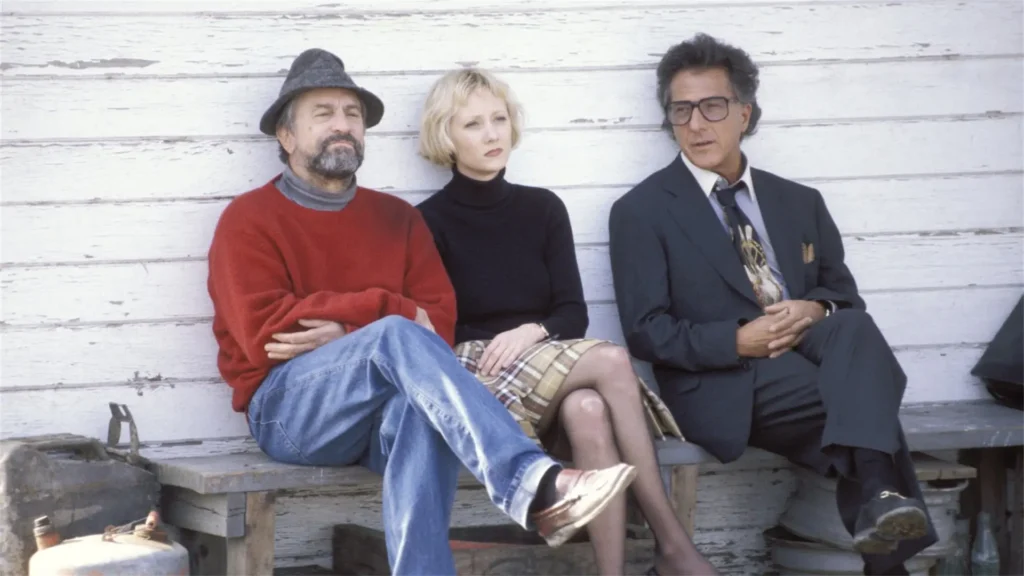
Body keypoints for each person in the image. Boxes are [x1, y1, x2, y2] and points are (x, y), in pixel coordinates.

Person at [206, 48, 638, 576]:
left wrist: (350, 329)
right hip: (289, 411)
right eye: (324, 113)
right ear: (287, 136)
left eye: (353, 114)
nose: (343, 124)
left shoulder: (398, 219)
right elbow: (266, 334)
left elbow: (438, 328)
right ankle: (530, 481)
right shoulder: (248, 218)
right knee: (394, 333)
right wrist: (383, 314)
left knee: (422, 412)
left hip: (383, 412)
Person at [607, 34, 937, 575]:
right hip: (723, 380)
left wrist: (814, 310)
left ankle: (881, 508)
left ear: (745, 112)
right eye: (681, 110)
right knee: (859, 401)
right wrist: (737, 340)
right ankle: (883, 518)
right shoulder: (641, 211)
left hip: (809, 349)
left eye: (713, 106)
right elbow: (646, 330)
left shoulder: (799, 201)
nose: (696, 124)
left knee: (854, 328)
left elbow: (843, 295)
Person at [415, 68, 717, 576]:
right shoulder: (428, 220)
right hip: (481, 372)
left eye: (499, 119)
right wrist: (506, 340)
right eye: (473, 124)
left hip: (544, 359)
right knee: (613, 361)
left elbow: (572, 313)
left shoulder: (543, 208)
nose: (492, 134)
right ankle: (672, 543)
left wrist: (531, 331)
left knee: (588, 408)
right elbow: (441, 327)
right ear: (446, 136)